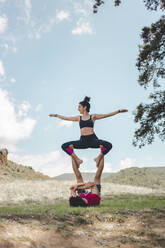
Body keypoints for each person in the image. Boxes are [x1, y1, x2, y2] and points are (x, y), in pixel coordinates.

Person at [49, 96, 128, 167]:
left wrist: (118, 111)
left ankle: (99, 157)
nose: (78, 109)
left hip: (93, 140)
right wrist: (56, 115)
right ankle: (77, 159)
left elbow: (106, 115)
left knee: (108, 145)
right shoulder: (78, 118)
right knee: (64, 146)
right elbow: (67, 118)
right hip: (82, 141)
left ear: (85, 107)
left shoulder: (93, 116)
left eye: (79, 107)